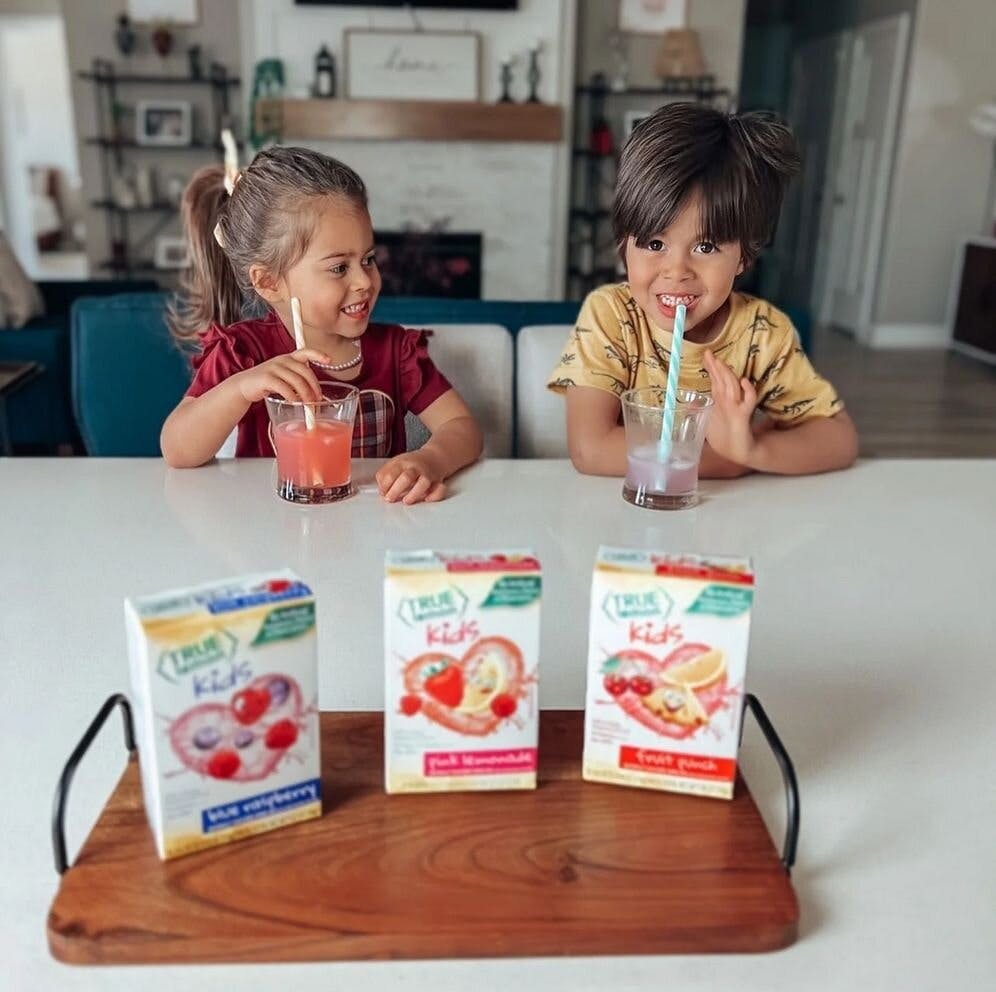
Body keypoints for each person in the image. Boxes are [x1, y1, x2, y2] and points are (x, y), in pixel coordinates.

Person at [548, 103, 858, 478]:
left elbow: (839, 438)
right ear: (623, 244)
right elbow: (591, 450)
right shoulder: (612, 316)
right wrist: (730, 461)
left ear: (744, 255)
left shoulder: (761, 332)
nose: (677, 272)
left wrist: (752, 447)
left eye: (706, 247)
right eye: (654, 243)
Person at [161, 145, 482, 504]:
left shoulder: (396, 351)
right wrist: (240, 389)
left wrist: (430, 460)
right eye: (339, 268)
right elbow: (176, 449)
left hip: (373, 533)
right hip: (268, 536)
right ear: (269, 282)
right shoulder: (243, 353)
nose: (365, 280)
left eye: (369, 259)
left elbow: (462, 428)